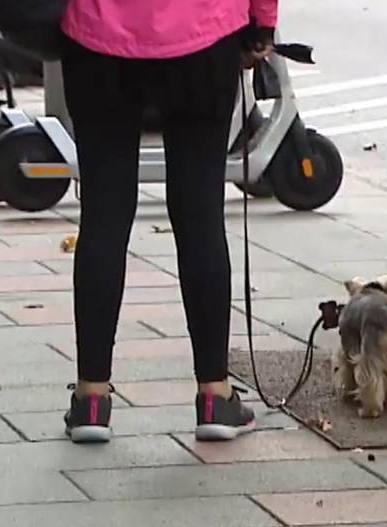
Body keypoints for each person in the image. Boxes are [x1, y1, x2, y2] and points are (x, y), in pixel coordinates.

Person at [58, 0, 278, 443]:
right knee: (200, 212)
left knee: (103, 210)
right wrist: (262, 23)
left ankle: (91, 399)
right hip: (203, 30)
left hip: (98, 33)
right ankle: (215, 394)